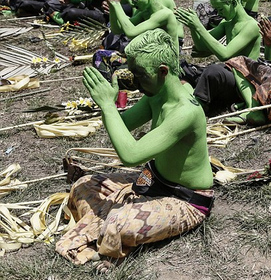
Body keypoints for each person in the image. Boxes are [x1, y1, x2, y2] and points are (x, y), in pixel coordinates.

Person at [55, 29, 214, 268]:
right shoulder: (157, 94)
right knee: (83, 185)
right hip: (153, 182)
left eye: (139, 75)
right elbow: (125, 123)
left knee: (117, 223)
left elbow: (130, 155)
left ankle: (109, 237)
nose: (135, 83)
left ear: (162, 71)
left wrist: (108, 105)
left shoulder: (186, 112)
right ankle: (108, 229)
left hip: (186, 200)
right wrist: (109, 95)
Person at [176, 0, 261, 114]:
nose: (219, 13)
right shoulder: (227, 23)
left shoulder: (251, 26)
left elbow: (225, 54)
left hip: (243, 81)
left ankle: (197, 105)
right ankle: (195, 97)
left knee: (213, 70)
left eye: (221, 9)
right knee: (182, 69)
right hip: (228, 74)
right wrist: (193, 27)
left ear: (233, 3)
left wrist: (198, 26)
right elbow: (201, 46)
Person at [103, 0, 181, 49]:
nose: (133, 3)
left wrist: (116, 4)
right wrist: (112, 7)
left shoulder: (165, 14)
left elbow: (131, 32)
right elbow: (117, 30)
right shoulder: (145, 12)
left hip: (167, 61)